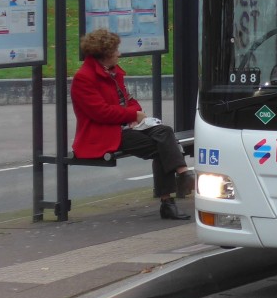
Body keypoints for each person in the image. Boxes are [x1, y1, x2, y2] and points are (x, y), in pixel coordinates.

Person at [71, 28, 194, 220]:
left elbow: (127, 99)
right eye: (115, 51)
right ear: (104, 54)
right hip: (103, 134)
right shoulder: (84, 78)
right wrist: (133, 115)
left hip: (124, 127)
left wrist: (138, 116)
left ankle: (181, 176)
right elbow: (100, 112)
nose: (119, 54)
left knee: (164, 132)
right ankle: (172, 195)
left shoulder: (112, 72)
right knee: (162, 147)